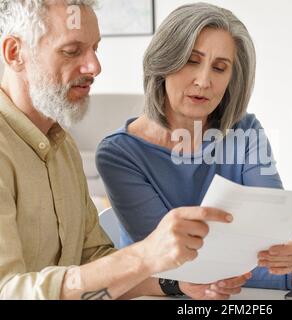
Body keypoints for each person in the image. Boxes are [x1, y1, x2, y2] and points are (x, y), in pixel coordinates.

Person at [0, 0, 250, 300]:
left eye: (95, 49)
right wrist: (144, 255)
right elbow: (8, 291)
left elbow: (93, 261)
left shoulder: (62, 146)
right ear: (15, 53)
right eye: (72, 51)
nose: (95, 67)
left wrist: (174, 283)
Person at [96, 2, 292, 298]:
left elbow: (274, 211)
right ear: (163, 62)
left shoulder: (246, 130)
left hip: (231, 292)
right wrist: (287, 274)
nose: (204, 81)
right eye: (191, 60)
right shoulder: (119, 154)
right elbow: (171, 262)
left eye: (219, 67)